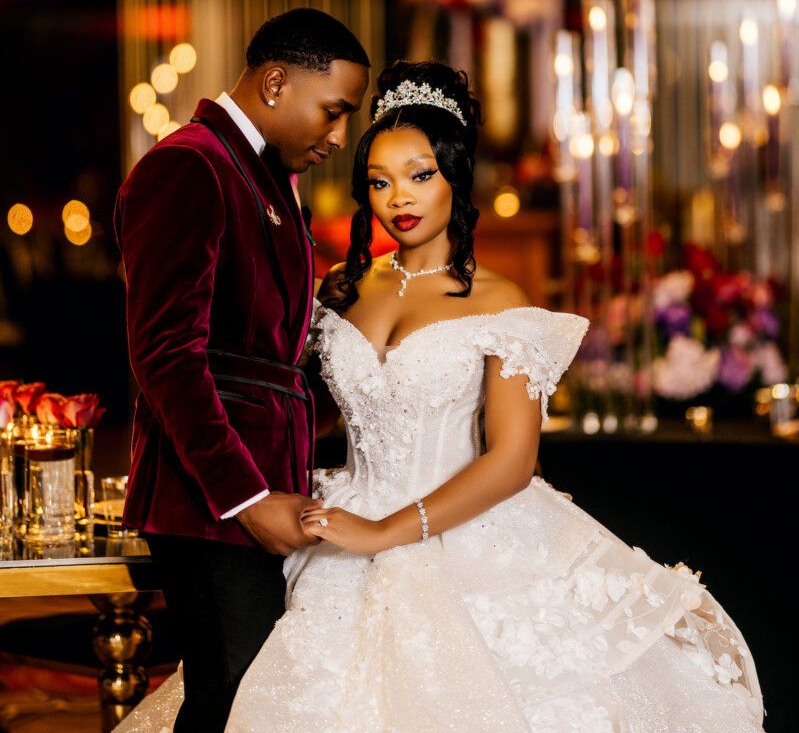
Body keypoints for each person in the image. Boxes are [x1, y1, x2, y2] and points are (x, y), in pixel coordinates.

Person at [117, 60, 765, 733]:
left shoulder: (500, 301)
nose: (399, 197)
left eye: (420, 175)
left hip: (464, 538)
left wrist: (383, 531)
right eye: (379, 181)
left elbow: (512, 461)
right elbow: (290, 399)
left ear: (455, 175)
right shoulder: (340, 288)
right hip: (335, 528)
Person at [113, 7, 370, 733]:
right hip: (207, 500)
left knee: (257, 705)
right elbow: (165, 353)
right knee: (233, 705)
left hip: (265, 489)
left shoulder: (263, 177)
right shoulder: (189, 165)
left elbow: (266, 361)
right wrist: (246, 498)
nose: (338, 136)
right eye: (333, 111)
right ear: (276, 82)